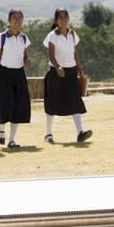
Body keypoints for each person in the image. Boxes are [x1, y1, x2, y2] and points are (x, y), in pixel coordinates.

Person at [42, 8, 92, 143]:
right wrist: (58, 67)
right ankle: (48, 134)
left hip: (71, 72)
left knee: (75, 100)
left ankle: (80, 132)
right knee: (52, 102)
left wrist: (80, 71)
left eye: (65, 17)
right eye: (60, 17)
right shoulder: (52, 35)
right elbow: (51, 55)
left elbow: (75, 54)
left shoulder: (72, 35)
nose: (63, 20)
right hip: (55, 72)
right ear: (55, 20)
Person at [0, 9, 31, 148]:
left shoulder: (24, 38)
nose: (17, 21)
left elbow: (25, 55)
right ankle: (0, 128)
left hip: (19, 74)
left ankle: (12, 140)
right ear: (9, 20)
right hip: (4, 73)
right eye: (14, 18)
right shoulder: (1, 37)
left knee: (18, 106)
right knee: (3, 104)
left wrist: (26, 60)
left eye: (20, 18)